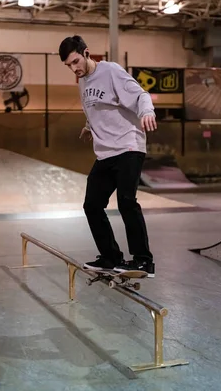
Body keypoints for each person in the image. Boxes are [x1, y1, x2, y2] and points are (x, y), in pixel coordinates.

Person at [58, 35, 157, 277]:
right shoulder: (82, 81)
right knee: (92, 205)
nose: (74, 68)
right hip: (105, 153)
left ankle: (143, 261)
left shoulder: (111, 71)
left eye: (75, 62)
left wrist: (146, 111)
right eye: (69, 66)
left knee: (126, 201)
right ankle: (111, 257)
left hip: (129, 147)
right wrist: (89, 126)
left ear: (87, 53)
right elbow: (96, 108)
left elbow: (141, 95)